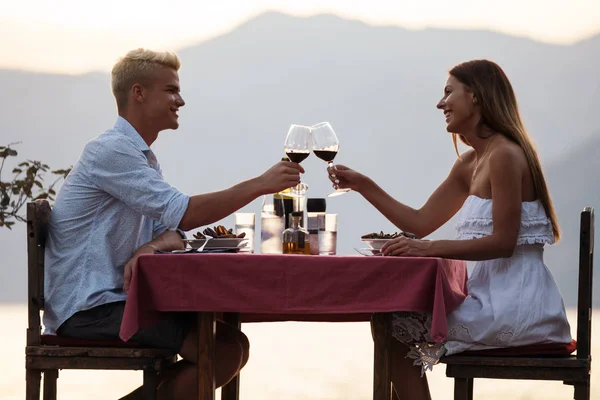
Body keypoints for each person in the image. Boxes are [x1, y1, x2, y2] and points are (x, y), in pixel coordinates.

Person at [43, 48, 303, 400]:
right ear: (138, 93)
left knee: (231, 343)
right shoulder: (110, 151)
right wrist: (260, 184)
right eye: (171, 90)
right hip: (88, 309)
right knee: (223, 348)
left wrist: (153, 245)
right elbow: (183, 213)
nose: (180, 100)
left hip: (115, 301)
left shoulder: (141, 157)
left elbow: (174, 232)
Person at [328, 59, 572, 400]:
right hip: (486, 298)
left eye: (447, 93)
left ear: (475, 96)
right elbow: (419, 222)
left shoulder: (505, 154)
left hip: (517, 305)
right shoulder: (471, 162)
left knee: (392, 326)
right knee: (389, 321)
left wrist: (426, 249)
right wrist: (363, 185)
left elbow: (502, 243)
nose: (440, 103)